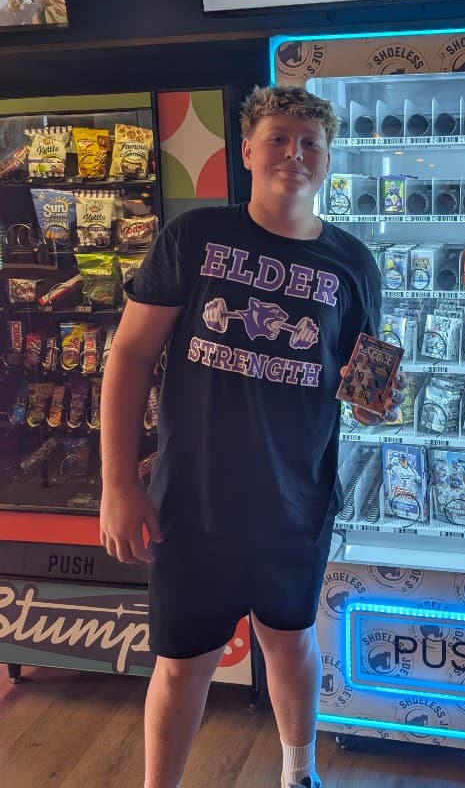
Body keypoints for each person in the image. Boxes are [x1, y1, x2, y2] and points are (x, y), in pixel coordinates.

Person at [99, 85, 401, 788]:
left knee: (289, 641)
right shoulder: (195, 237)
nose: (293, 154)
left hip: (294, 498)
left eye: (310, 144)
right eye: (278, 138)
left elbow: (364, 393)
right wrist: (118, 483)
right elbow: (130, 357)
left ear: (327, 161)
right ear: (246, 149)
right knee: (182, 664)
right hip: (190, 500)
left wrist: (377, 402)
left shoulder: (354, 263)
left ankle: (299, 774)